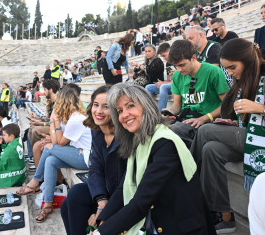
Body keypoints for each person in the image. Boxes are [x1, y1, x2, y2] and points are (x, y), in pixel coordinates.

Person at [91, 83, 216, 235]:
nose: (124, 115)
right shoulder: (138, 140)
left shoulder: (165, 143)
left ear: (146, 106)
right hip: (156, 221)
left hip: (181, 228)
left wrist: (101, 232)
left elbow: (142, 199)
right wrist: (105, 217)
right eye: (120, 111)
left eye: (130, 106)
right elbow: (123, 187)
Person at [190, 38, 265, 234]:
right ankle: (225, 217)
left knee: (205, 131)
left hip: (260, 140)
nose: (230, 73)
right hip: (246, 136)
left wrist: (260, 108)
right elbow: (230, 111)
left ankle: (187, 186)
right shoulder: (241, 80)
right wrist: (230, 122)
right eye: (227, 68)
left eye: (232, 67)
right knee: (210, 150)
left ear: (247, 60)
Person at [16, 87, 92, 223]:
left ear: (63, 102)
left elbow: (59, 143)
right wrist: (53, 124)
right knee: (50, 160)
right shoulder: (69, 117)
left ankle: (35, 182)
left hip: (86, 158)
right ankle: (48, 204)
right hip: (77, 152)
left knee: (48, 149)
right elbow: (57, 140)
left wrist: (53, 120)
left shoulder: (76, 119)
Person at [61, 85, 126, 235]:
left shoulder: (124, 136)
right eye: (96, 105)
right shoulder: (97, 131)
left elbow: (126, 183)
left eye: (106, 107)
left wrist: (104, 211)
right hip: (107, 192)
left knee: (75, 197)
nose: (98, 111)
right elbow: (95, 168)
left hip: (123, 197)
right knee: (70, 201)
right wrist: (101, 201)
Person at [163, 40, 228, 147]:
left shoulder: (213, 71)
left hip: (207, 119)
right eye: (176, 66)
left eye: (182, 65)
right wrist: (169, 113)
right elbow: (177, 106)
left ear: (193, 58)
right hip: (186, 118)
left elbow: (226, 105)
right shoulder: (177, 76)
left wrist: (203, 119)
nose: (178, 70)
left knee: (174, 133)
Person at [145, 43, 172, 110]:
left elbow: (179, 81)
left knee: (163, 87)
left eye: (164, 55)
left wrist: (163, 84)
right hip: (171, 85)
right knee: (148, 87)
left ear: (169, 52)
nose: (163, 58)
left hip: (177, 86)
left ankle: (159, 112)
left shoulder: (178, 62)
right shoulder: (168, 64)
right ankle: (151, 110)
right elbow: (169, 80)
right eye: (146, 51)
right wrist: (162, 82)